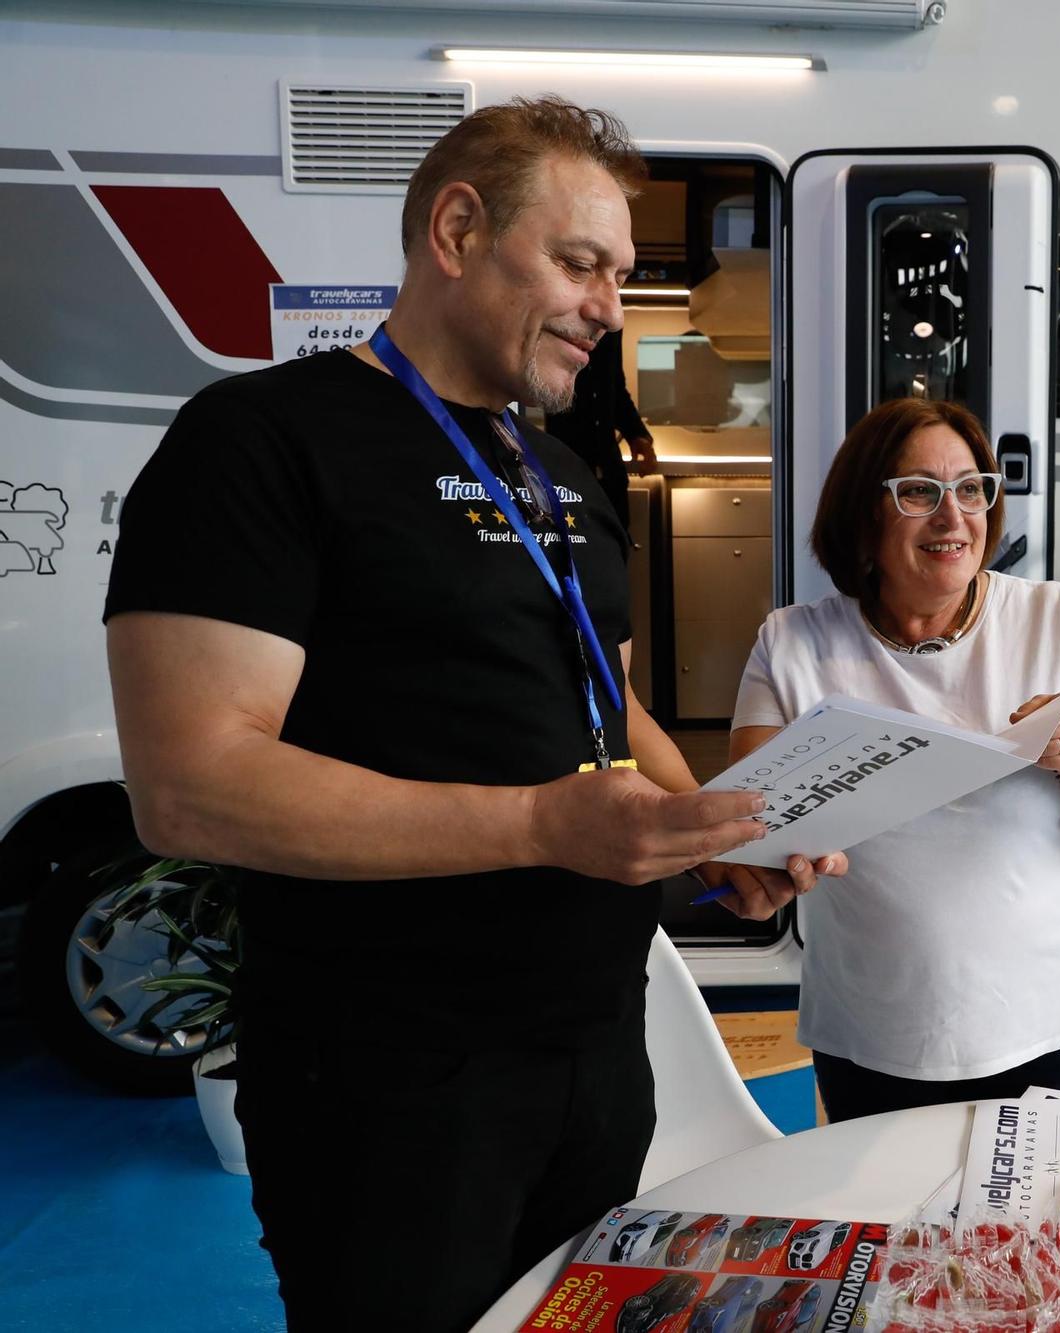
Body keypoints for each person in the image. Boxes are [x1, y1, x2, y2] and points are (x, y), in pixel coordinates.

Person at [102, 97, 837, 1332]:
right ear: (455, 230)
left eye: (619, 274)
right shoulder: (260, 442)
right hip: (389, 1080)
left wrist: (718, 830)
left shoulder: (557, 474)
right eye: (579, 263)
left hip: (599, 1055)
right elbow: (191, 783)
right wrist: (542, 826)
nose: (609, 306)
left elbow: (609, 700)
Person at [725, 397, 1060, 1123]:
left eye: (972, 488)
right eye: (919, 491)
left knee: (1035, 1232)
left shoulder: (1054, 619)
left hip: (1051, 1019)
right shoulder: (794, 643)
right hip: (872, 1028)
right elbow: (753, 828)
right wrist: (772, 862)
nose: (953, 516)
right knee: (887, 1230)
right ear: (865, 511)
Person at [544, 326, 651, 526]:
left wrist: (637, 434)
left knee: (615, 546)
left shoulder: (612, 327)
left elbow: (614, 387)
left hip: (608, 469)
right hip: (564, 467)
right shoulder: (557, 320)